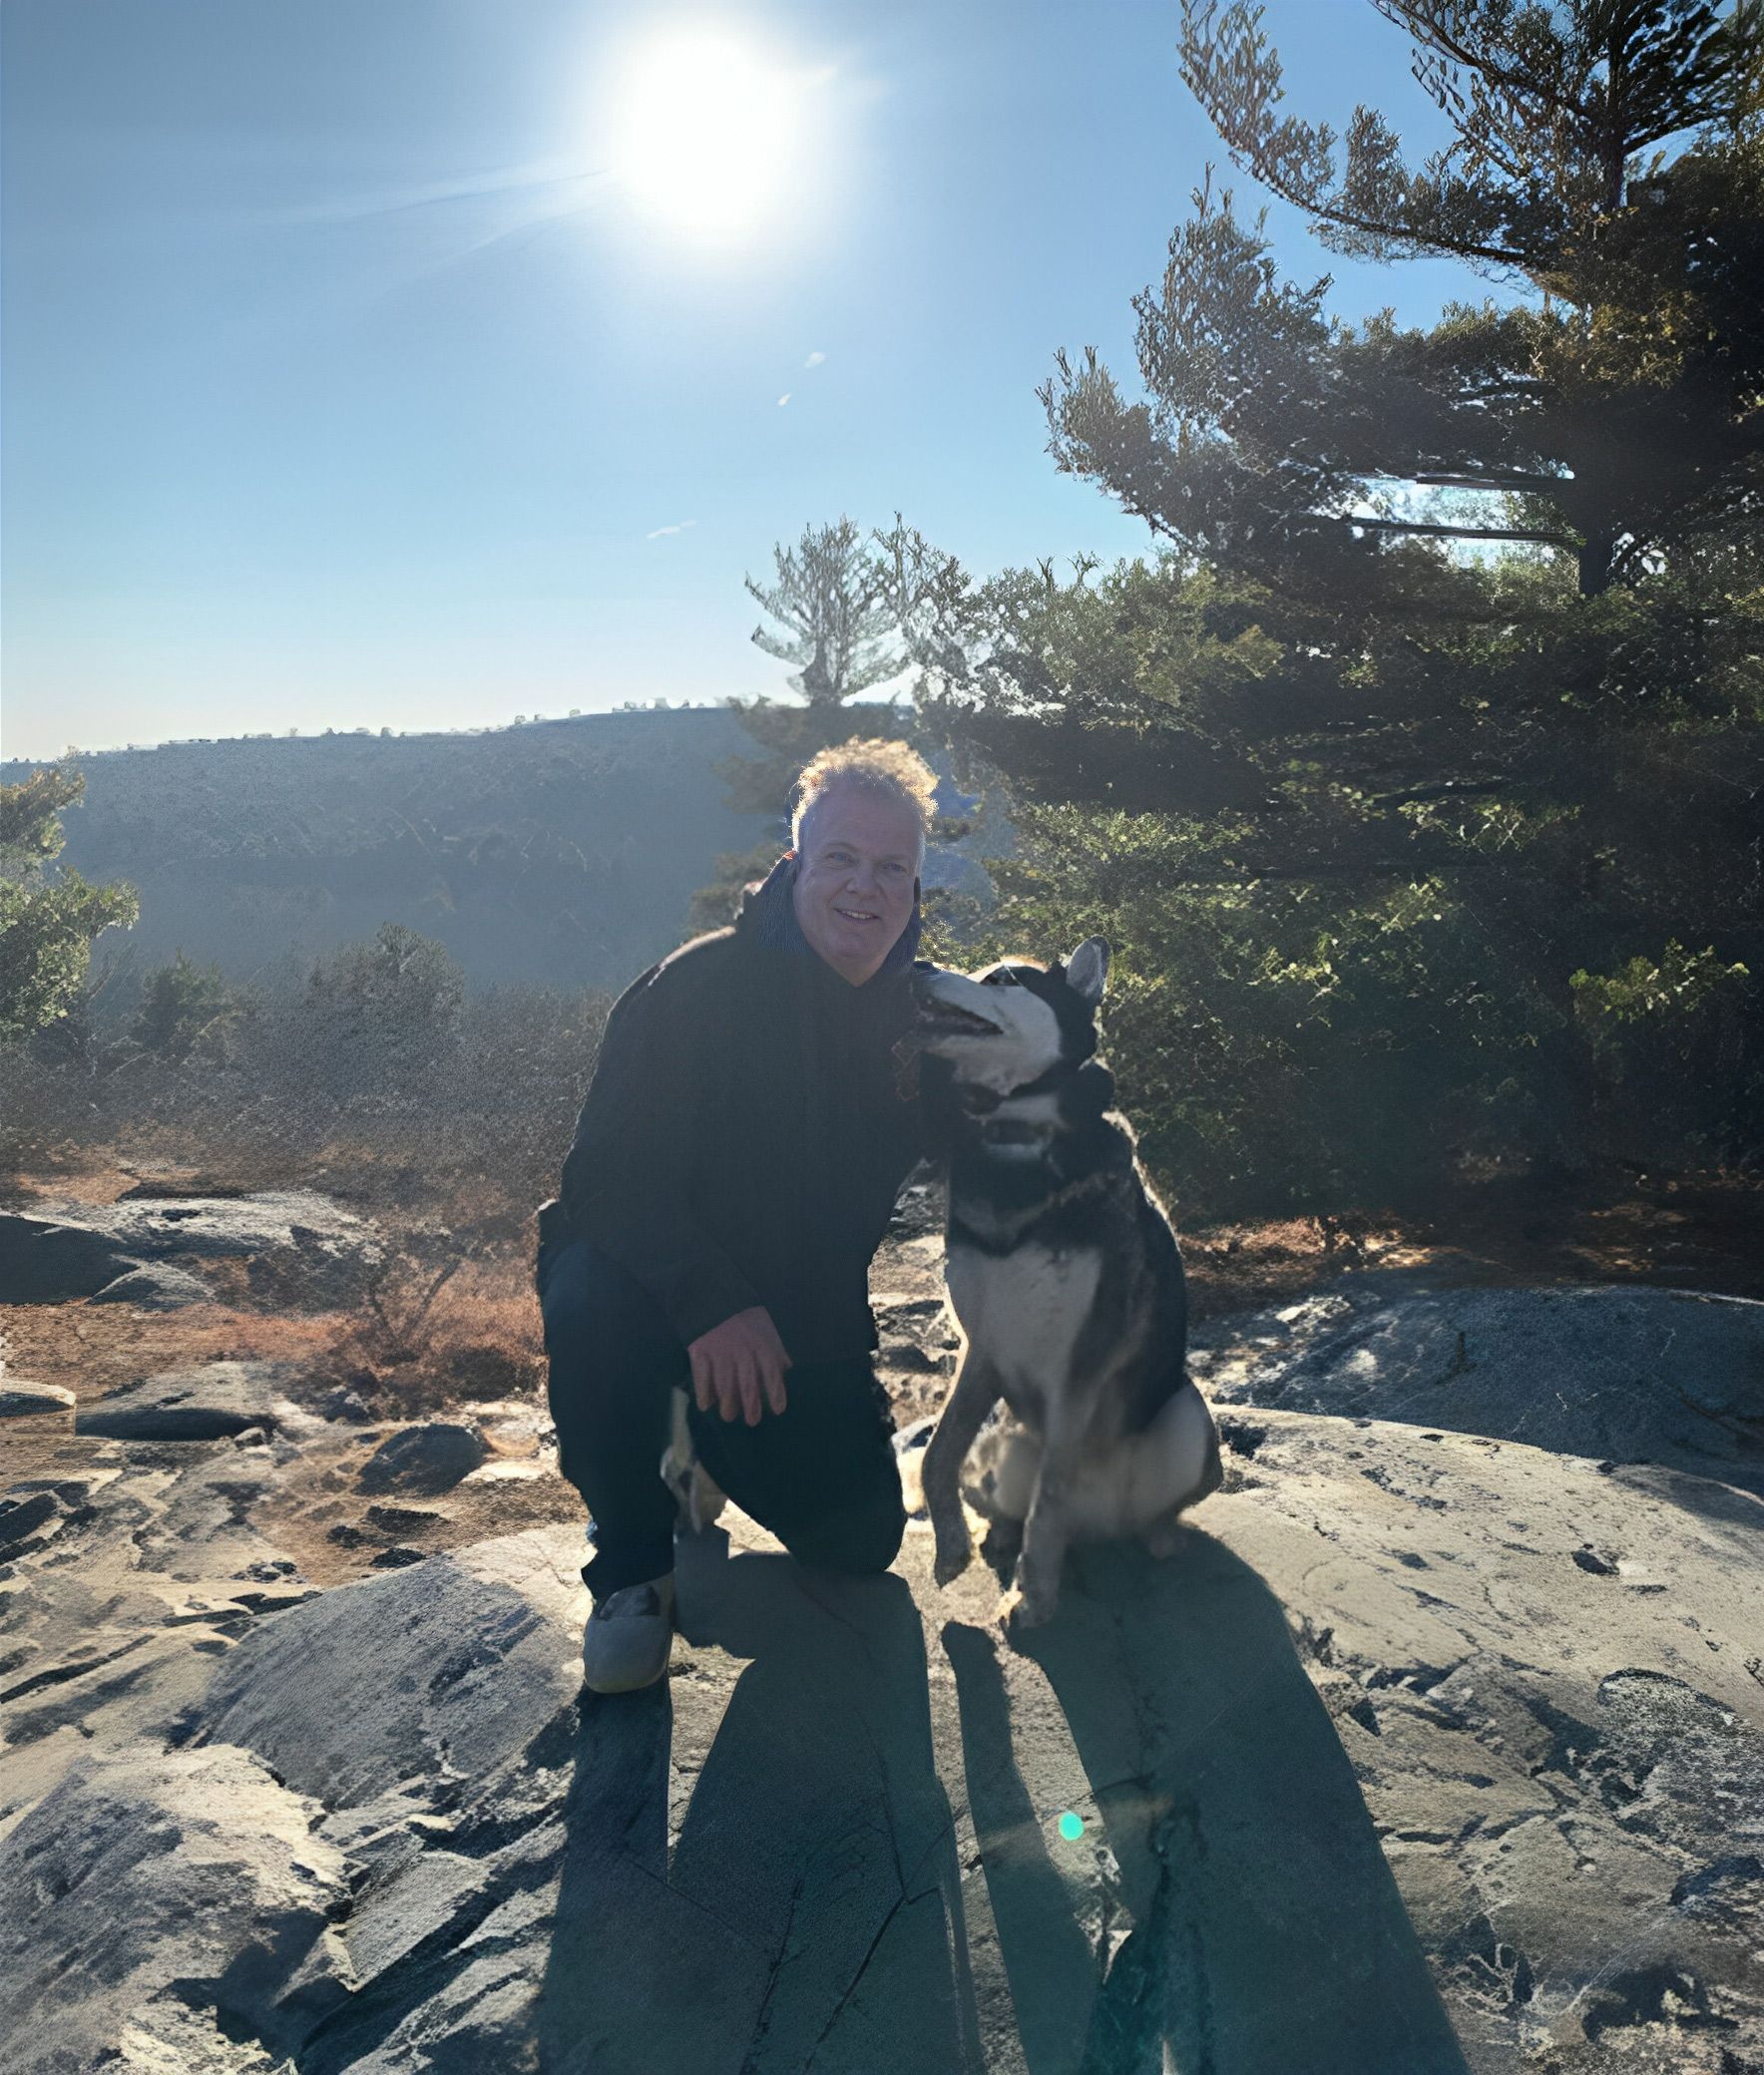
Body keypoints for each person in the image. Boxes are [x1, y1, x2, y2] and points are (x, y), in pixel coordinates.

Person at [535, 737, 938, 1693]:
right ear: (794, 865)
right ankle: (634, 1567)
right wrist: (711, 1303)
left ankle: (696, 1453)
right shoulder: (696, 990)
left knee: (861, 1542)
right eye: (841, 858)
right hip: (666, 1300)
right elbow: (607, 1184)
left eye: (893, 868)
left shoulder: (921, 1026)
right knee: (589, 1286)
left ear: (916, 889)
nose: (865, 889)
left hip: (799, 1330)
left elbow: (1001, 1149)